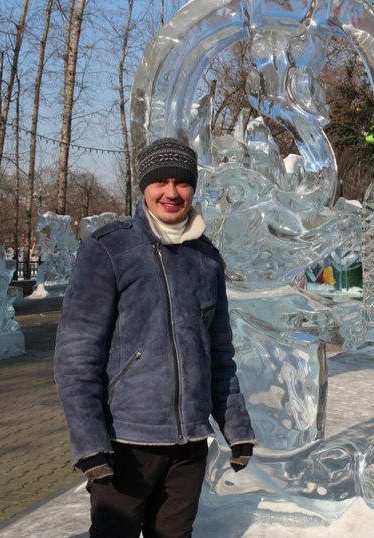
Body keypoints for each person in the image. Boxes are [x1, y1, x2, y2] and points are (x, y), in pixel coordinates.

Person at [54, 137, 256, 538]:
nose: (171, 192)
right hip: (126, 441)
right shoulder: (109, 249)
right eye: (160, 182)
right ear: (143, 186)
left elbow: (218, 354)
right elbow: (77, 354)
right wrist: (90, 442)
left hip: (190, 446)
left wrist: (236, 427)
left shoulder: (207, 258)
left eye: (182, 183)